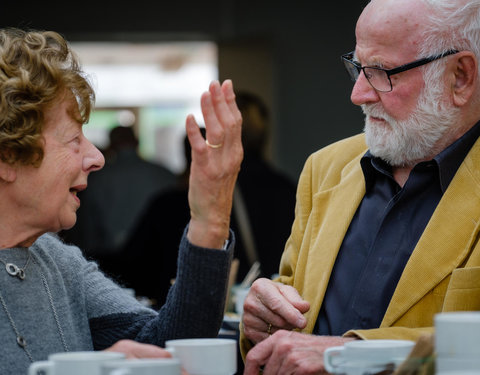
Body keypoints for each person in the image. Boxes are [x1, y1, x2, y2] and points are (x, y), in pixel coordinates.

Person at [239, 0, 480, 373]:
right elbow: (290, 307)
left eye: (382, 72)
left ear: (460, 76)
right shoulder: (326, 168)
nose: (359, 95)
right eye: (358, 68)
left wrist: (349, 355)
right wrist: (263, 316)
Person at [0, 27, 242, 374]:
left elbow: (167, 346)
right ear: (8, 158)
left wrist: (210, 221)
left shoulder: (57, 261)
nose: (97, 157)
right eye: (73, 140)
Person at [60, 124, 176, 269]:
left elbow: (88, 228)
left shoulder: (96, 179)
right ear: (137, 141)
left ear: (111, 145)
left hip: (112, 259)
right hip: (159, 258)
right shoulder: (164, 175)